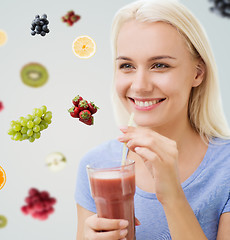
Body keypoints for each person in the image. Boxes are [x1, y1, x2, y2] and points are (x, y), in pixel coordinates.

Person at [75, 0, 230, 239]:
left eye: (159, 65)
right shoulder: (99, 165)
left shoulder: (225, 167)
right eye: (126, 65)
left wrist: (172, 196)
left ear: (197, 73)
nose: (139, 86)